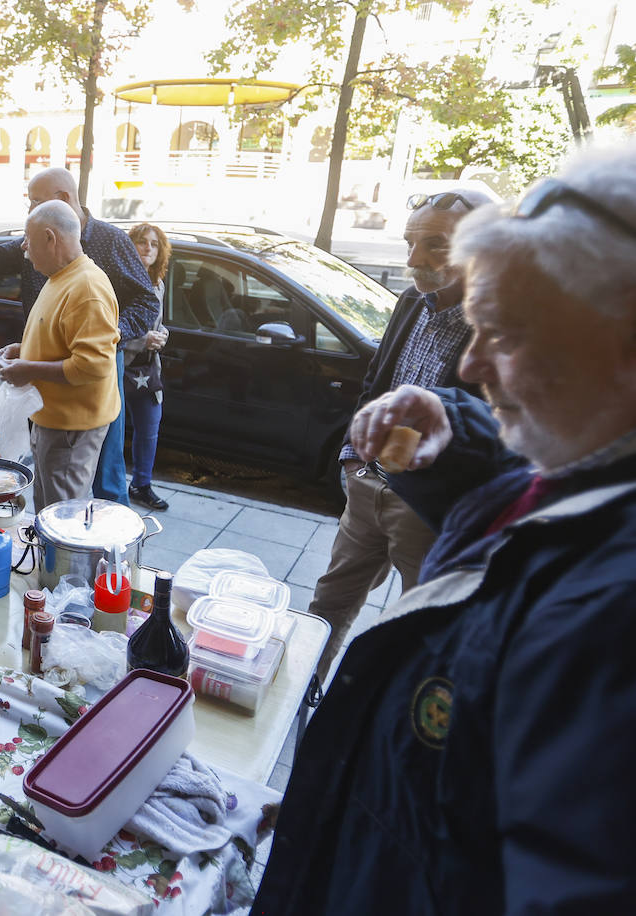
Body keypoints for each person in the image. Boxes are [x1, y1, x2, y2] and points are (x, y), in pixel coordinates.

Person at [253, 146, 636, 915]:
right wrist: (455, 439)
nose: (469, 368)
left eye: (505, 333)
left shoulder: (608, 620)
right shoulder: (581, 468)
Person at [308, 186, 488, 683]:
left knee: (419, 626)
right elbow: (377, 382)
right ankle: (301, 701)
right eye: (411, 242)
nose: (415, 258)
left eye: (435, 244)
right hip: (368, 486)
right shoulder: (413, 298)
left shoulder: (497, 321)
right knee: (329, 602)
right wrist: (351, 459)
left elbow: (499, 430)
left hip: (428, 508)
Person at [0, 167, 159, 506]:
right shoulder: (55, 267)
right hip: (56, 404)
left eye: (34, 202)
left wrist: (108, 334)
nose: (23, 245)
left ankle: (107, 554)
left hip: (85, 395)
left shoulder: (100, 259)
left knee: (88, 494)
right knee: (51, 497)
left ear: (52, 234)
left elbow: (98, 354)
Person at [0, 201, 119, 508]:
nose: (24, 246)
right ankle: (50, 558)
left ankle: (59, 559)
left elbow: (92, 366)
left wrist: (30, 369)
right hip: (54, 420)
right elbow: (61, 340)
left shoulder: (87, 287)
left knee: (61, 518)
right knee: (48, 511)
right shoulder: (61, 277)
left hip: (71, 429)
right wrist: (23, 351)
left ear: (51, 238)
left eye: (28, 237)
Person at [123, 223, 170, 511]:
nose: (148, 248)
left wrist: (163, 334)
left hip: (148, 371)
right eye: (142, 242)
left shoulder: (158, 283)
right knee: (110, 435)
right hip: (120, 366)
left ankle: (141, 484)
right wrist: (142, 340)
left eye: (154, 244)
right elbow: (109, 329)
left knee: (150, 427)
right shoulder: (121, 281)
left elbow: (157, 322)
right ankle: (109, 485)